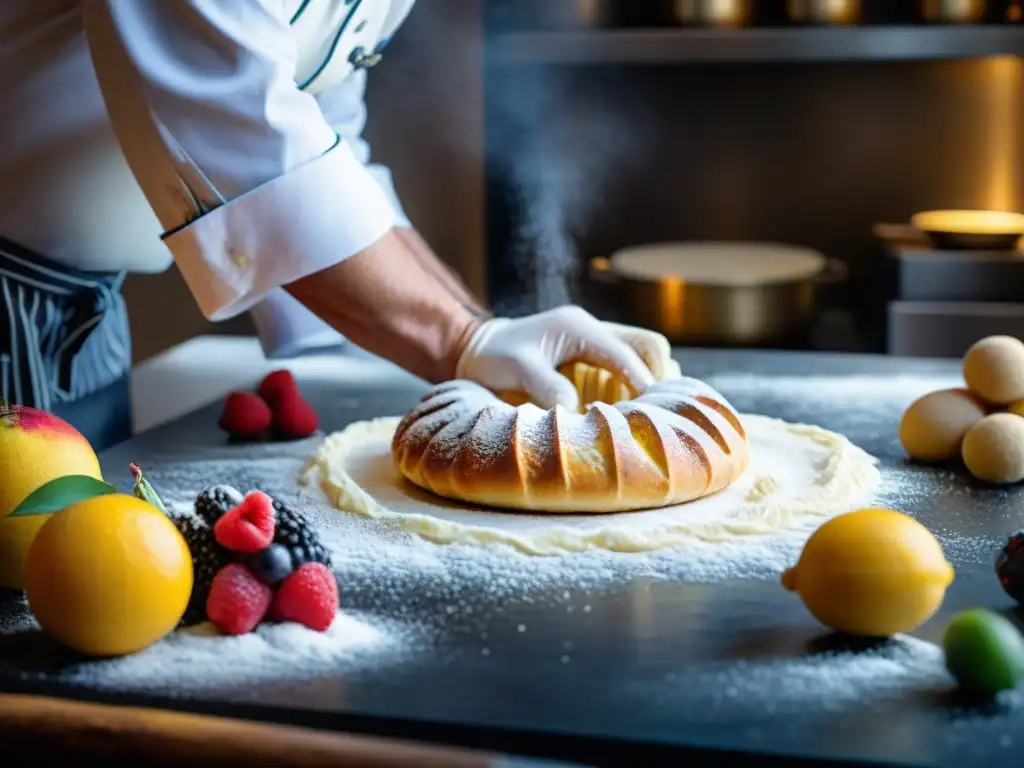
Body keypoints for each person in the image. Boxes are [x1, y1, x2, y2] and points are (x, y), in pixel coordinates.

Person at [0, 0, 676, 451]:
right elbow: (245, 143)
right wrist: (460, 339)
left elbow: (324, 152)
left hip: (80, 315)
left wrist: (482, 331)